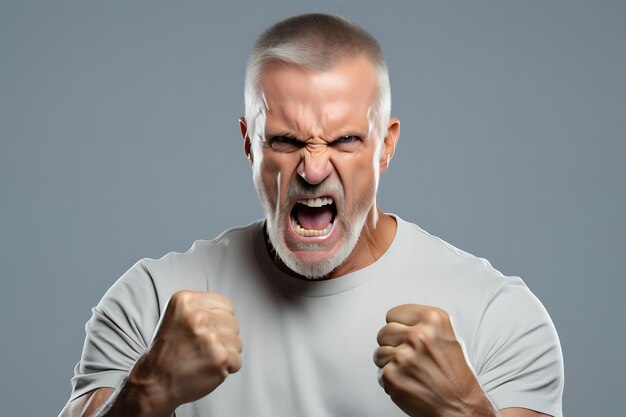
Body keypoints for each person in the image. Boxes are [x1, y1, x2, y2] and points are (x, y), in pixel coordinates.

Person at [59, 13, 564, 417]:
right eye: (285, 140)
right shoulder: (151, 300)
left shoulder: (496, 316)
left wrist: (464, 411)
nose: (315, 168)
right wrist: (146, 391)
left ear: (386, 146)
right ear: (248, 145)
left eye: (345, 140)